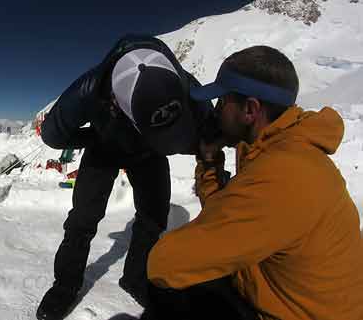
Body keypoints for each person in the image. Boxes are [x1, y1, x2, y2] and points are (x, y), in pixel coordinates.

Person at [143, 45, 363, 319]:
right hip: (288, 296)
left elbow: (164, 263)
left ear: (250, 109)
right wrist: (210, 162)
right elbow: (227, 218)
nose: (216, 112)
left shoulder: (282, 175)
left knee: (165, 287)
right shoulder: (281, 147)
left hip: (291, 313)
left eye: (222, 102)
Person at [36, 34, 212, 320]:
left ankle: (135, 277)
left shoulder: (183, 84)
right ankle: (65, 285)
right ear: (117, 103)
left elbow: (209, 127)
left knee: (153, 217)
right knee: (83, 220)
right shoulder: (89, 90)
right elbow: (53, 135)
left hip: (149, 154)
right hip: (104, 150)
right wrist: (94, 136)